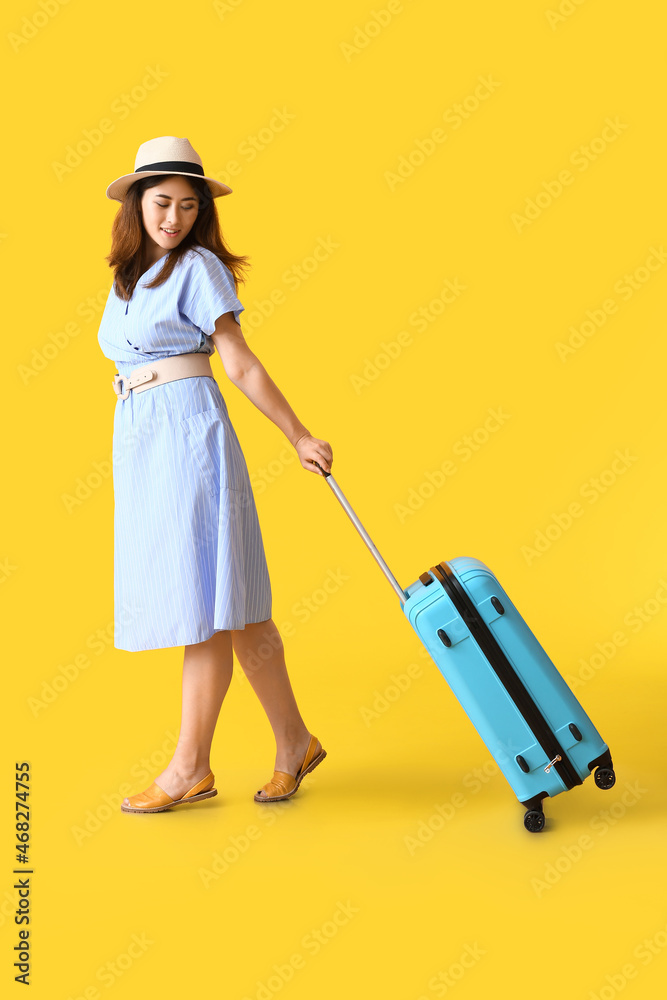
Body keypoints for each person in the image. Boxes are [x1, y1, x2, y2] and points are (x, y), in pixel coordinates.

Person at [97, 136, 332, 814]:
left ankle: (188, 768)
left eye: (187, 206)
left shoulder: (198, 267)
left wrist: (298, 435)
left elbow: (241, 363)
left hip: (189, 435)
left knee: (207, 602)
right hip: (144, 440)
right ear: (137, 205)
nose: (173, 217)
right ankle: (294, 742)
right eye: (162, 202)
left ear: (201, 213)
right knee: (233, 602)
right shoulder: (126, 278)